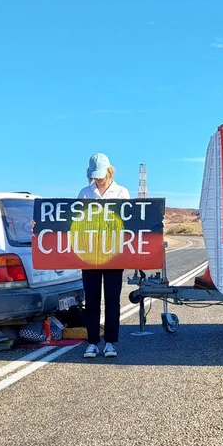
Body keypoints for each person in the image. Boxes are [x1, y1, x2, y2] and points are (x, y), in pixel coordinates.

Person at [78, 153, 130, 358]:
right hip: (89, 254)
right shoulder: (84, 193)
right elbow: (72, 221)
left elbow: (130, 220)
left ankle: (110, 342)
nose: (98, 179)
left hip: (113, 255)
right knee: (91, 299)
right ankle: (92, 342)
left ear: (109, 171)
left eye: (101, 175)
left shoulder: (121, 192)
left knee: (112, 299)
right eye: (95, 176)